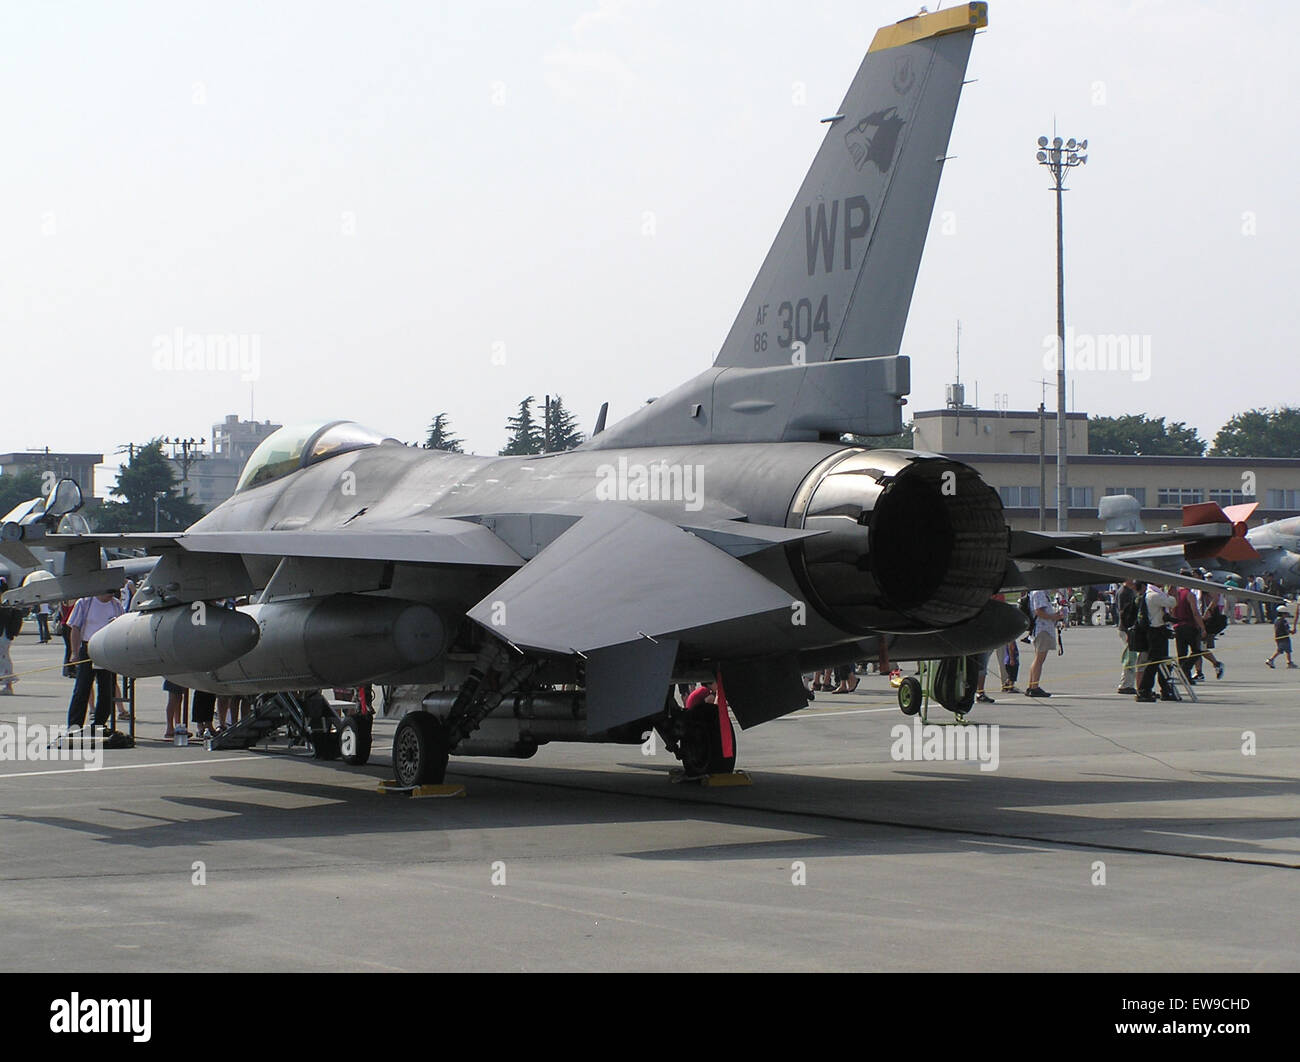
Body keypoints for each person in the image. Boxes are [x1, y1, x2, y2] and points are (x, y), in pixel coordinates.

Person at [65, 591, 125, 729]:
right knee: (82, 689)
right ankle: (75, 725)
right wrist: (74, 652)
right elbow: (75, 628)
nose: (111, 595)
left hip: (107, 649)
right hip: (88, 647)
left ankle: (99, 723)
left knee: (107, 689)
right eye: (109, 592)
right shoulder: (85, 602)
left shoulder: (116, 605)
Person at [1136, 582, 1177, 702]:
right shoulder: (1154, 595)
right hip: (1156, 632)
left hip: (1158, 631)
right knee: (1155, 662)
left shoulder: (1154, 594)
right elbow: (1172, 602)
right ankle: (1144, 690)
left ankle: (1164, 689)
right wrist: (1172, 592)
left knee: (1162, 661)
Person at [1024, 589, 1065, 698]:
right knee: (1039, 659)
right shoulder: (1039, 593)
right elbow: (1039, 611)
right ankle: (1034, 687)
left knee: (1038, 659)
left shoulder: (1041, 593)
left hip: (1043, 628)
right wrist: (1054, 617)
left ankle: (1032, 685)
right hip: (1042, 629)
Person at [1170, 574, 1207, 683]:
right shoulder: (1189, 594)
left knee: (1181, 653)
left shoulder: (1175, 594)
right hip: (1189, 626)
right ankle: (1185, 669)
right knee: (1197, 650)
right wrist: (1202, 627)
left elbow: (1171, 610)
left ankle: (1185, 676)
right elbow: (1195, 612)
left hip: (1178, 626)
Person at [1115, 579, 1140, 694]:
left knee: (1131, 656)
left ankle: (1127, 682)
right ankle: (1125, 684)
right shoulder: (1124, 592)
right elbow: (1123, 612)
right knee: (1130, 658)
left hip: (1127, 628)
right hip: (1126, 629)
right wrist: (1129, 628)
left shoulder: (1129, 591)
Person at [1265, 604, 1295, 669]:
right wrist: (1291, 631)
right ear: (1283, 614)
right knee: (1280, 650)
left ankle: (1289, 662)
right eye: (1286, 613)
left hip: (1278, 637)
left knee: (1288, 650)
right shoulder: (1283, 621)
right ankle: (1271, 659)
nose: (1287, 615)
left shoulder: (1276, 621)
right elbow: (1286, 629)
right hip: (1284, 638)